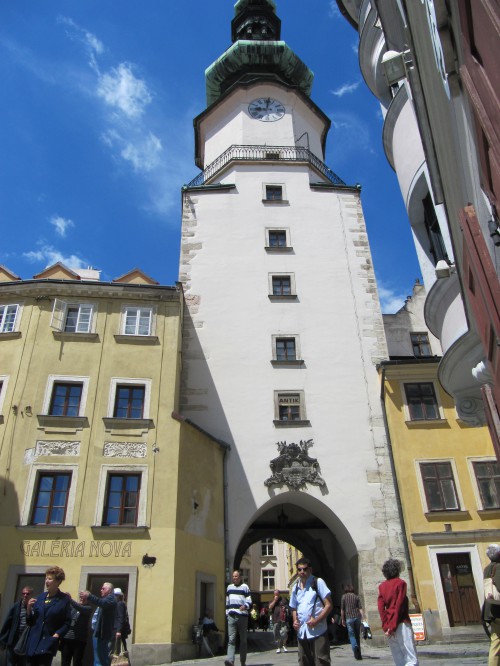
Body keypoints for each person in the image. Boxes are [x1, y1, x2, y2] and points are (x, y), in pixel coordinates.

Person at [289, 557, 333, 666]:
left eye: (305, 569)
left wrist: (317, 620)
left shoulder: (318, 582)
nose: (302, 572)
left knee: (321, 661)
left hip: (318, 630)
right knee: (303, 661)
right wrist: (295, 621)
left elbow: (329, 605)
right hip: (302, 632)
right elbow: (294, 607)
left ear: (310, 569)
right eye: (299, 569)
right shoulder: (295, 587)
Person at [25, 567, 71, 666]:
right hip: (33, 642)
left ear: (58, 581)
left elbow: (67, 622)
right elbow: (30, 622)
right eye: (46, 578)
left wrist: (57, 635)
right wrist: (28, 609)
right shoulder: (40, 597)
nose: (46, 581)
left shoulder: (64, 599)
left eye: (50, 579)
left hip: (48, 643)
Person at [377, 559, 418, 666]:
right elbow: (399, 605)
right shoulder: (400, 583)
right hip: (401, 622)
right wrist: (393, 626)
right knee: (410, 657)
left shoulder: (382, 586)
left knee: (398, 657)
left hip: (389, 624)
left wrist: (386, 626)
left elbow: (381, 608)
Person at [79, 583, 117, 666]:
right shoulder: (106, 599)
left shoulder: (111, 599)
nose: (101, 590)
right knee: (98, 657)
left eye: (103, 588)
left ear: (109, 590)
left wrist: (89, 595)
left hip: (102, 634)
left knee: (101, 658)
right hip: (98, 633)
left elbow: (101, 603)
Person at [0, 586, 34, 666]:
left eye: (27, 594)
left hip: (26, 642)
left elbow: (32, 623)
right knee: (10, 663)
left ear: (31, 595)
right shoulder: (16, 606)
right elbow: (7, 623)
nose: (25, 595)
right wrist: (3, 641)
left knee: (22, 663)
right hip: (14, 640)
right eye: (23, 593)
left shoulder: (35, 608)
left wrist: (29, 608)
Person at [224, 570, 252, 666]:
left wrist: (245, 606)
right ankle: (230, 661)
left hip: (242, 616)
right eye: (233, 576)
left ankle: (242, 662)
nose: (234, 578)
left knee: (243, 640)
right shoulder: (229, 588)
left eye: (236, 576)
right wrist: (227, 613)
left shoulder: (245, 587)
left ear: (240, 577)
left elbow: (249, 601)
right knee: (231, 640)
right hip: (231, 616)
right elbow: (227, 602)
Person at [59, 595, 92, 666]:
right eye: (81, 597)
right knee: (65, 662)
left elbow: (80, 607)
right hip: (67, 638)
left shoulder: (88, 608)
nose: (82, 599)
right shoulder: (73, 608)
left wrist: (70, 599)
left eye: (84, 598)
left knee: (77, 662)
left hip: (79, 640)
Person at [483, 543, 500, 666]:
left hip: (491, 609)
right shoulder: (498, 567)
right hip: (498, 608)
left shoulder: (487, 568)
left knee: (496, 641)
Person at [340, 584, 365, 661]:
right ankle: (359, 654)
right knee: (357, 635)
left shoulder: (344, 597)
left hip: (349, 618)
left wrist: (342, 619)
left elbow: (342, 609)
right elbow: (360, 608)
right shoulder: (356, 597)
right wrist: (363, 617)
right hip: (357, 617)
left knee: (351, 635)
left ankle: (355, 647)